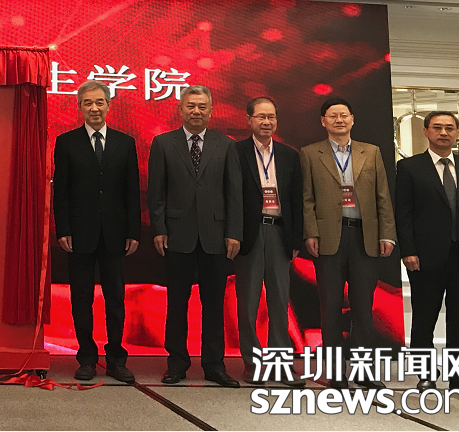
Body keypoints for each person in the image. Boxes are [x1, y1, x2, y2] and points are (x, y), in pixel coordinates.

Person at [148, 85, 242, 387]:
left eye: (202, 106)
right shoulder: (163, 143)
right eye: (191, 106)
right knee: (177, 303)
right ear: (180, 109)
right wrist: (159, 228)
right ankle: (177, 363)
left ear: (211, 110)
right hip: (177, 235)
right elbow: (156, 192)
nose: (196, 111)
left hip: (216, 235)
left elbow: (234, 193)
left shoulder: (225, 145)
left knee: (213, 304)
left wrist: (234, 232)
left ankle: (214, 365)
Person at [396, 111, 459, 397]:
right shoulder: (410, 167)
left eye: (449, 128)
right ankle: (425, 376)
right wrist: (408, 251)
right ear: (426, 131)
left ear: (456, 133)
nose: (444, 133)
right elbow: (404, 213)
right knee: (424, 318)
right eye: (437, 127)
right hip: (424, 257)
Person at [300, 96, 395, 390]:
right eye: (333, 116)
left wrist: (387, 233)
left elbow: (382, 195)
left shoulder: (371, 152)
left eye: (344, 115)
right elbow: (307, 198)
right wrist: (311, 233)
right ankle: (335, 372)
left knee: (363, 306)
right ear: (323, 121)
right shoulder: (310, 153)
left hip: (365, 236)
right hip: (328, 237)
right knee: (329, 306)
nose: (339, 120)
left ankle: (364, 371)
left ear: (352, 119)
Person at [52, 80, 140, 383]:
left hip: (115, 232)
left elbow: (131, 191)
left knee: (115, 297)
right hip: (79, 233)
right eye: (88, 103)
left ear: (109, 105)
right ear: (79, 107)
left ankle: (116, 358)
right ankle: (87, 357)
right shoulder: (66, 142)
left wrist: (133, 231)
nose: (94, 108)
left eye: (99, 102)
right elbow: (61, 192)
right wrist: (63, 228)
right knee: (81, 298)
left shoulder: (125, 143)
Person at [233, 97, 304, 386]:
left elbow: (297, 199)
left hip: (279, 233)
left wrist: (296, 237)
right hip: (249, 234)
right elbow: (230, 196)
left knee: (279, 302)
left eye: (271, 117)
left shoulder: (289, 155)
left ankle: (281, 364)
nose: (266, 122)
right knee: (248, 303)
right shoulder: (236, 152)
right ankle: (252, 363)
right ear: (248, 119)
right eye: (261, 117)